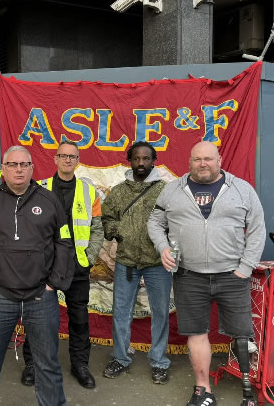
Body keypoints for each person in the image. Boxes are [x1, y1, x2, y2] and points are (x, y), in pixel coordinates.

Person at [147, 142, 265, 406]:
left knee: (242, 334)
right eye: (198, 159)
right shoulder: (172, 190)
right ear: (189, 161)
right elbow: (155, 222)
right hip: (189, 275)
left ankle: (249, 391)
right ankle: (203, 389)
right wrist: (163, 246)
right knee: (196, 333)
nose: (203, 164)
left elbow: (257, 228)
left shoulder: (241, 189)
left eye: (208, 159)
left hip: (232, 275)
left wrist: (245, 268)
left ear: (219, 160)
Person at [0, 145, 74, 406]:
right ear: (2, 168)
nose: (18, 169)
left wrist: (53, 284)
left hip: (40, 296)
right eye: (12, 164)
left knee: (47, 362)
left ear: (31, 168)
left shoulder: (49, 200)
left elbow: (65, 243)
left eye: (24, 164)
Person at [20, 140, 103, 389]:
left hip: (77, 267)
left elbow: (97, 229)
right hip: (45, 268)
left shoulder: (90, 192)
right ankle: (32, 364)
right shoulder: (39, 189)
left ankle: (80, 365)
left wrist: (89, 258)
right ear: (55, 159)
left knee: (79, 319)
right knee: (38, 317)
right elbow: (28, 227)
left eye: (72, 157)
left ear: (78, 161)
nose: (68, 160)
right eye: (63, 156)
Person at [101, 141, 170, 384]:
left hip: (157, 263)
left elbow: (176, 220)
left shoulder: (166, 190)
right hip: (126, 262)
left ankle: (159, 361)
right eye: (136, 158)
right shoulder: (119, 191)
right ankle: (120, 358)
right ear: (129, 160)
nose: (141, 163)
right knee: (121, 312)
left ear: (154, 161)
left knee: (160, 313)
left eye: (146, 159)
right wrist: (117, 230)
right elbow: (106, 218)